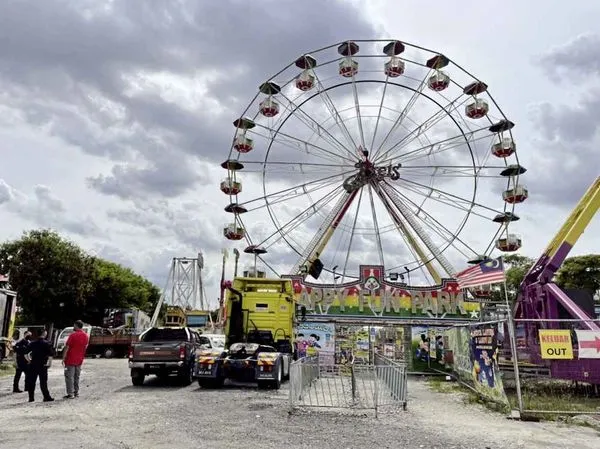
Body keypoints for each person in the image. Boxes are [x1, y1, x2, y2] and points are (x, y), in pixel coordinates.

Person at [25, 329, 54, 402]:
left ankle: (31, 398)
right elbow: (50, 355)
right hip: (43, 364)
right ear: (44, 334)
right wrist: (49, 363)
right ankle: (46, 397)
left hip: (33, 364)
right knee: (43, 382)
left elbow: (25, 354)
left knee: (32, 381)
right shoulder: (47, 343)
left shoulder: (32, 343)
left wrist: (29, 360)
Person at [62, 320, 89, 399]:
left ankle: (71, 393)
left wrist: (63, 357)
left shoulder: (72, 335)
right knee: (76, 376)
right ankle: (76, 392)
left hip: (70, 359)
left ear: (76, 326)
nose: (73, 327)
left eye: (74, 325)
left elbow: (67, 347)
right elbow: (85, 347)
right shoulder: (86, 336)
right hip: (79, 359)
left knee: (69, 376)